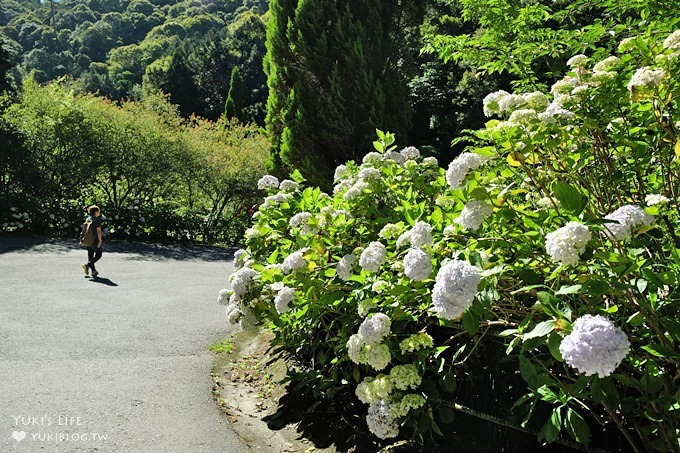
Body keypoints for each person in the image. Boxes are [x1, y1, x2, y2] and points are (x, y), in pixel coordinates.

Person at [81, 205, 103, 277]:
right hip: (95, 240)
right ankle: (87, 265)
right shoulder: (97, 220)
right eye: (98, 211)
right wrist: (100, 241)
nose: (99, 212)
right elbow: (98, 231)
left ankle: (93, 271)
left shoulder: (88, 219)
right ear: (96, 212)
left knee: (90, 255)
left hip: (88, 240)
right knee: (99, 255)